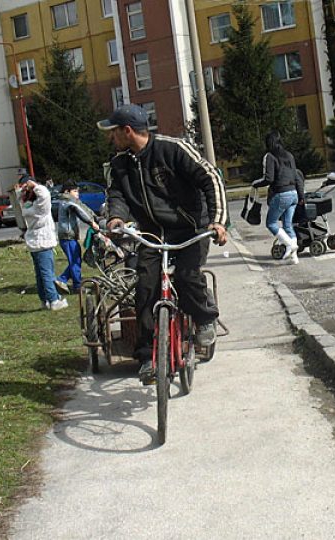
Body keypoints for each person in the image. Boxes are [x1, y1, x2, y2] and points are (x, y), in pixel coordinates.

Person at [97, 103, 228, 380]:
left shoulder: (173, 149)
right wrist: (115, 219)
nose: (111, 138)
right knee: (145, 287)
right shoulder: (121, 164)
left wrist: (217, 221)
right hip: (153, 235)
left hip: (190, 229)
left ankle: (204, 319)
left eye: (114, 132)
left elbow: (210, 179)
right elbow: (116, 196)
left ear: (127, 131)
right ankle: (147, 357)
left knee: (187, 276)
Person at [251, 131, 304, 264]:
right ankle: (294, 258)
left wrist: (255, 184)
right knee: (287, 225)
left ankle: (290, 245)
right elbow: (297, 176)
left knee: (271, 223)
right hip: (294, 194)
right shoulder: (289, 155)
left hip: (281, 194)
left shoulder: (269, 156)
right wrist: (301, 195)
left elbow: (268, 178)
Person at [18, 176, 68, 311]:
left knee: (40, 274)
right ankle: (53, 300)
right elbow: (45, 194)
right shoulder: (40, 207)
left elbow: (20, 196)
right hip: (43, 241)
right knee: (47, 273)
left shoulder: (26, 205)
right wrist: (34, 185)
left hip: (33, 241)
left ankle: (44, 300)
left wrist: (23, 189)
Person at [54, 181, 100, 294]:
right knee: (75, 261)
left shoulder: (71, 201)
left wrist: (96, 217)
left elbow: (83, 208)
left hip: (70, 237)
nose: (77, 193)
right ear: (66, 192)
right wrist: (91, 222)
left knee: (76, 260)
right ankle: (77, 286)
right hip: (67, 237)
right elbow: (80, 211)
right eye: (75, 191)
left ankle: (62, 280)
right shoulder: (67, 201)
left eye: (78, 191)